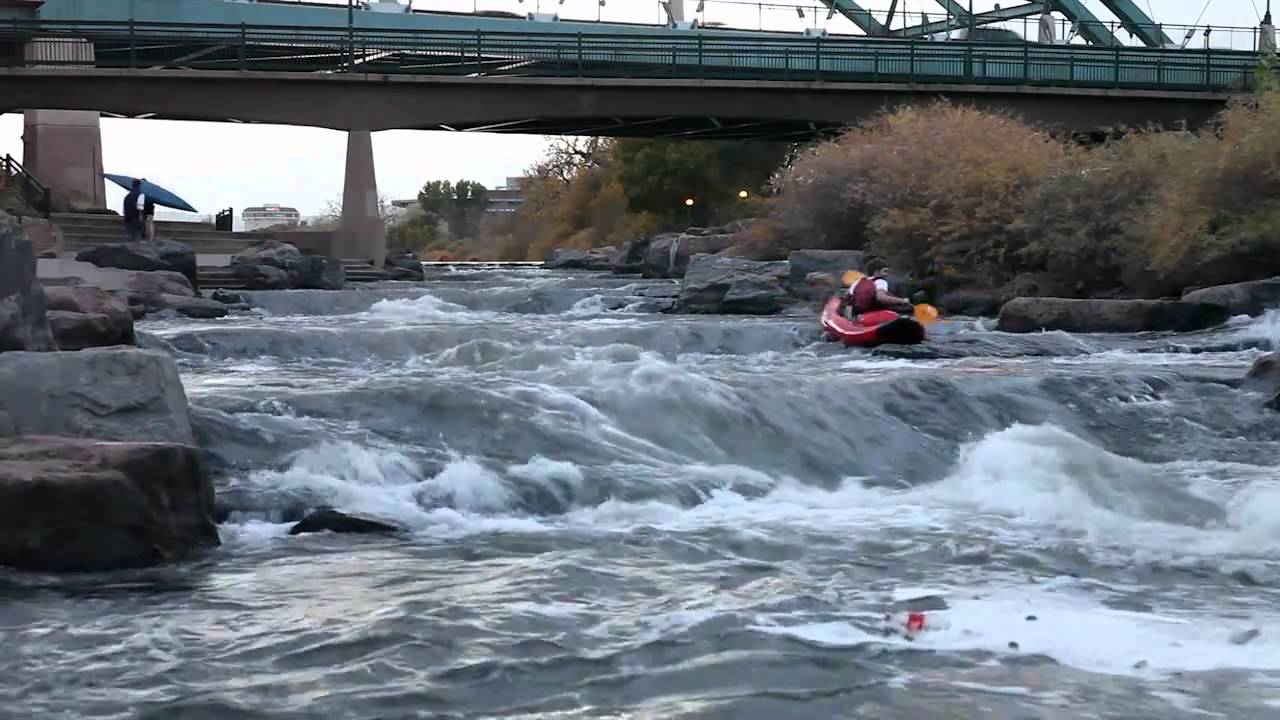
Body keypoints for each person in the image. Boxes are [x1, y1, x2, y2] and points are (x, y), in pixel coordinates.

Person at [839, 260, 913, 320]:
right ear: (876, 272)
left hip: (858, 314)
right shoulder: (880, 281)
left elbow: (847, 300)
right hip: (875, 313)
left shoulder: (858, 281)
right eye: (885, 271)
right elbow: (882, 298)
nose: (886, 274)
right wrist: (903, 301)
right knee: (908, 309)